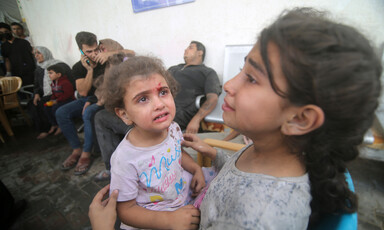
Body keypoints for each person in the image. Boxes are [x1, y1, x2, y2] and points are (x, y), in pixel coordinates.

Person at [182, 8, 382, 229]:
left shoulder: (257, 219)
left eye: (251, 78)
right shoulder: (266, 150)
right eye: (242, 68)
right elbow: (238, 175)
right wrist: (213, 153)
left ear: (300, 119)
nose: (228, 85)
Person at [103, 55, 206, 230]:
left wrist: (196, 169)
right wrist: (169, 220)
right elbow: (125, 210)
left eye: (163, 92)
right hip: (153, 217)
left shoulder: (172, 128)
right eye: (143, 99)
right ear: (124, 114)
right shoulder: (125, 159)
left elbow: (177, 152)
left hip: (181, 195)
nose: (159, 104)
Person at [169, 41, 221, 134]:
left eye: (190, 47)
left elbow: (212, 99)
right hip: (161, 109)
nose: (185, 50)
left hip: (180, 115)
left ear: (200, 52)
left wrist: (196, 119)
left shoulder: (207, 72)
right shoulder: (173, 68)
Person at [29, 46, 64, 139]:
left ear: (45, 53)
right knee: (33, 104)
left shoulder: (58, 65)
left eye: (38, 53)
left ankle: (56, 125)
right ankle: (45, 128)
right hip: (46, 93)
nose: (36, 56)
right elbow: (36, 84)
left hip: (58, 92)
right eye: (35, 54)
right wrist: (36, 93)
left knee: (43, 103)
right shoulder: (38, 69)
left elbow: (64, 82)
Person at [43, 64, 75, 135]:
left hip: (68, 100)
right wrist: (52, 100)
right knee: (46, 106)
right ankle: (54, 124)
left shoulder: (65, 83)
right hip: (59, 100)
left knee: (55, 108)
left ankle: (61, 125)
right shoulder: (53, 83)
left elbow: (67, 95)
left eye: (51, 73)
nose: (49, 75)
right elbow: (54, 94)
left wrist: (57, 101)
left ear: (58, 74)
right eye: (48, 73)